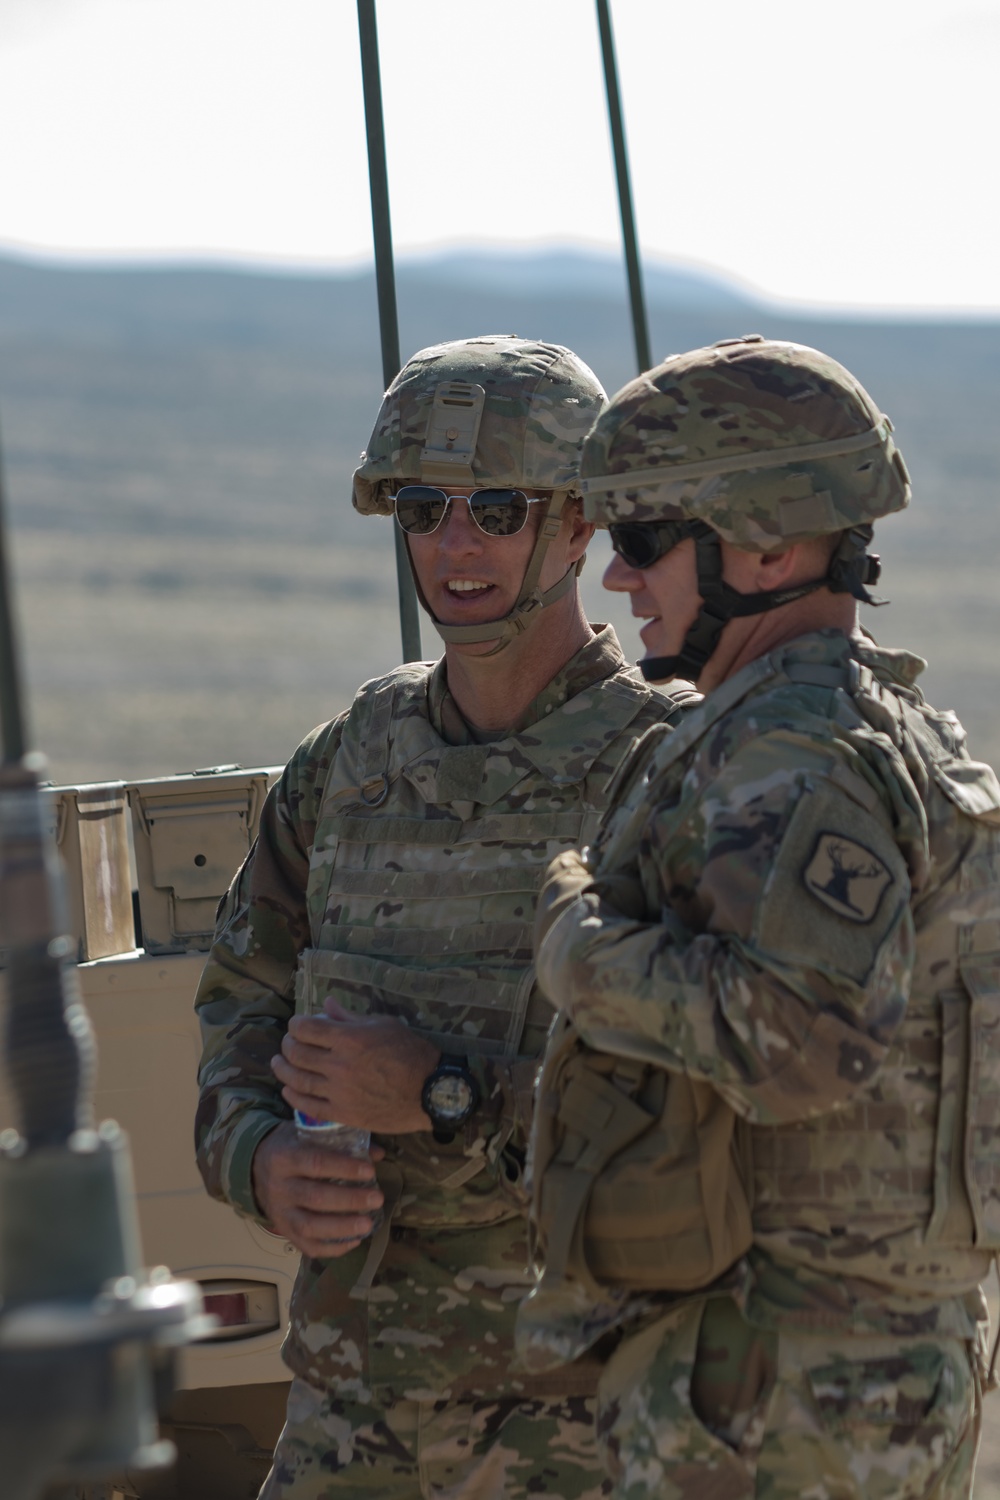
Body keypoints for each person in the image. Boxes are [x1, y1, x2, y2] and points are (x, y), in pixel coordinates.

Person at [194, 334, 698, 1500]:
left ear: (580, 524)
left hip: (578, 1425)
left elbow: (705, 1123)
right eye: (423, 507)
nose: (455, 544)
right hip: (349, 1409)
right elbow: (239, 1005)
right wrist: (260, 1159)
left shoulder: (668, 771)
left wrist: (444, 1091)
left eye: (497, 509)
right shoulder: (350, 764)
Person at [524, 335, 1000, 1499]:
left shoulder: (793, 757)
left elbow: (797, 1042)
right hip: (832, 1373)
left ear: (772, 545)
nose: (618, 582)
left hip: (778, 1388)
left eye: (642, 542)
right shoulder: (868, 728)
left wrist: (581, 955)